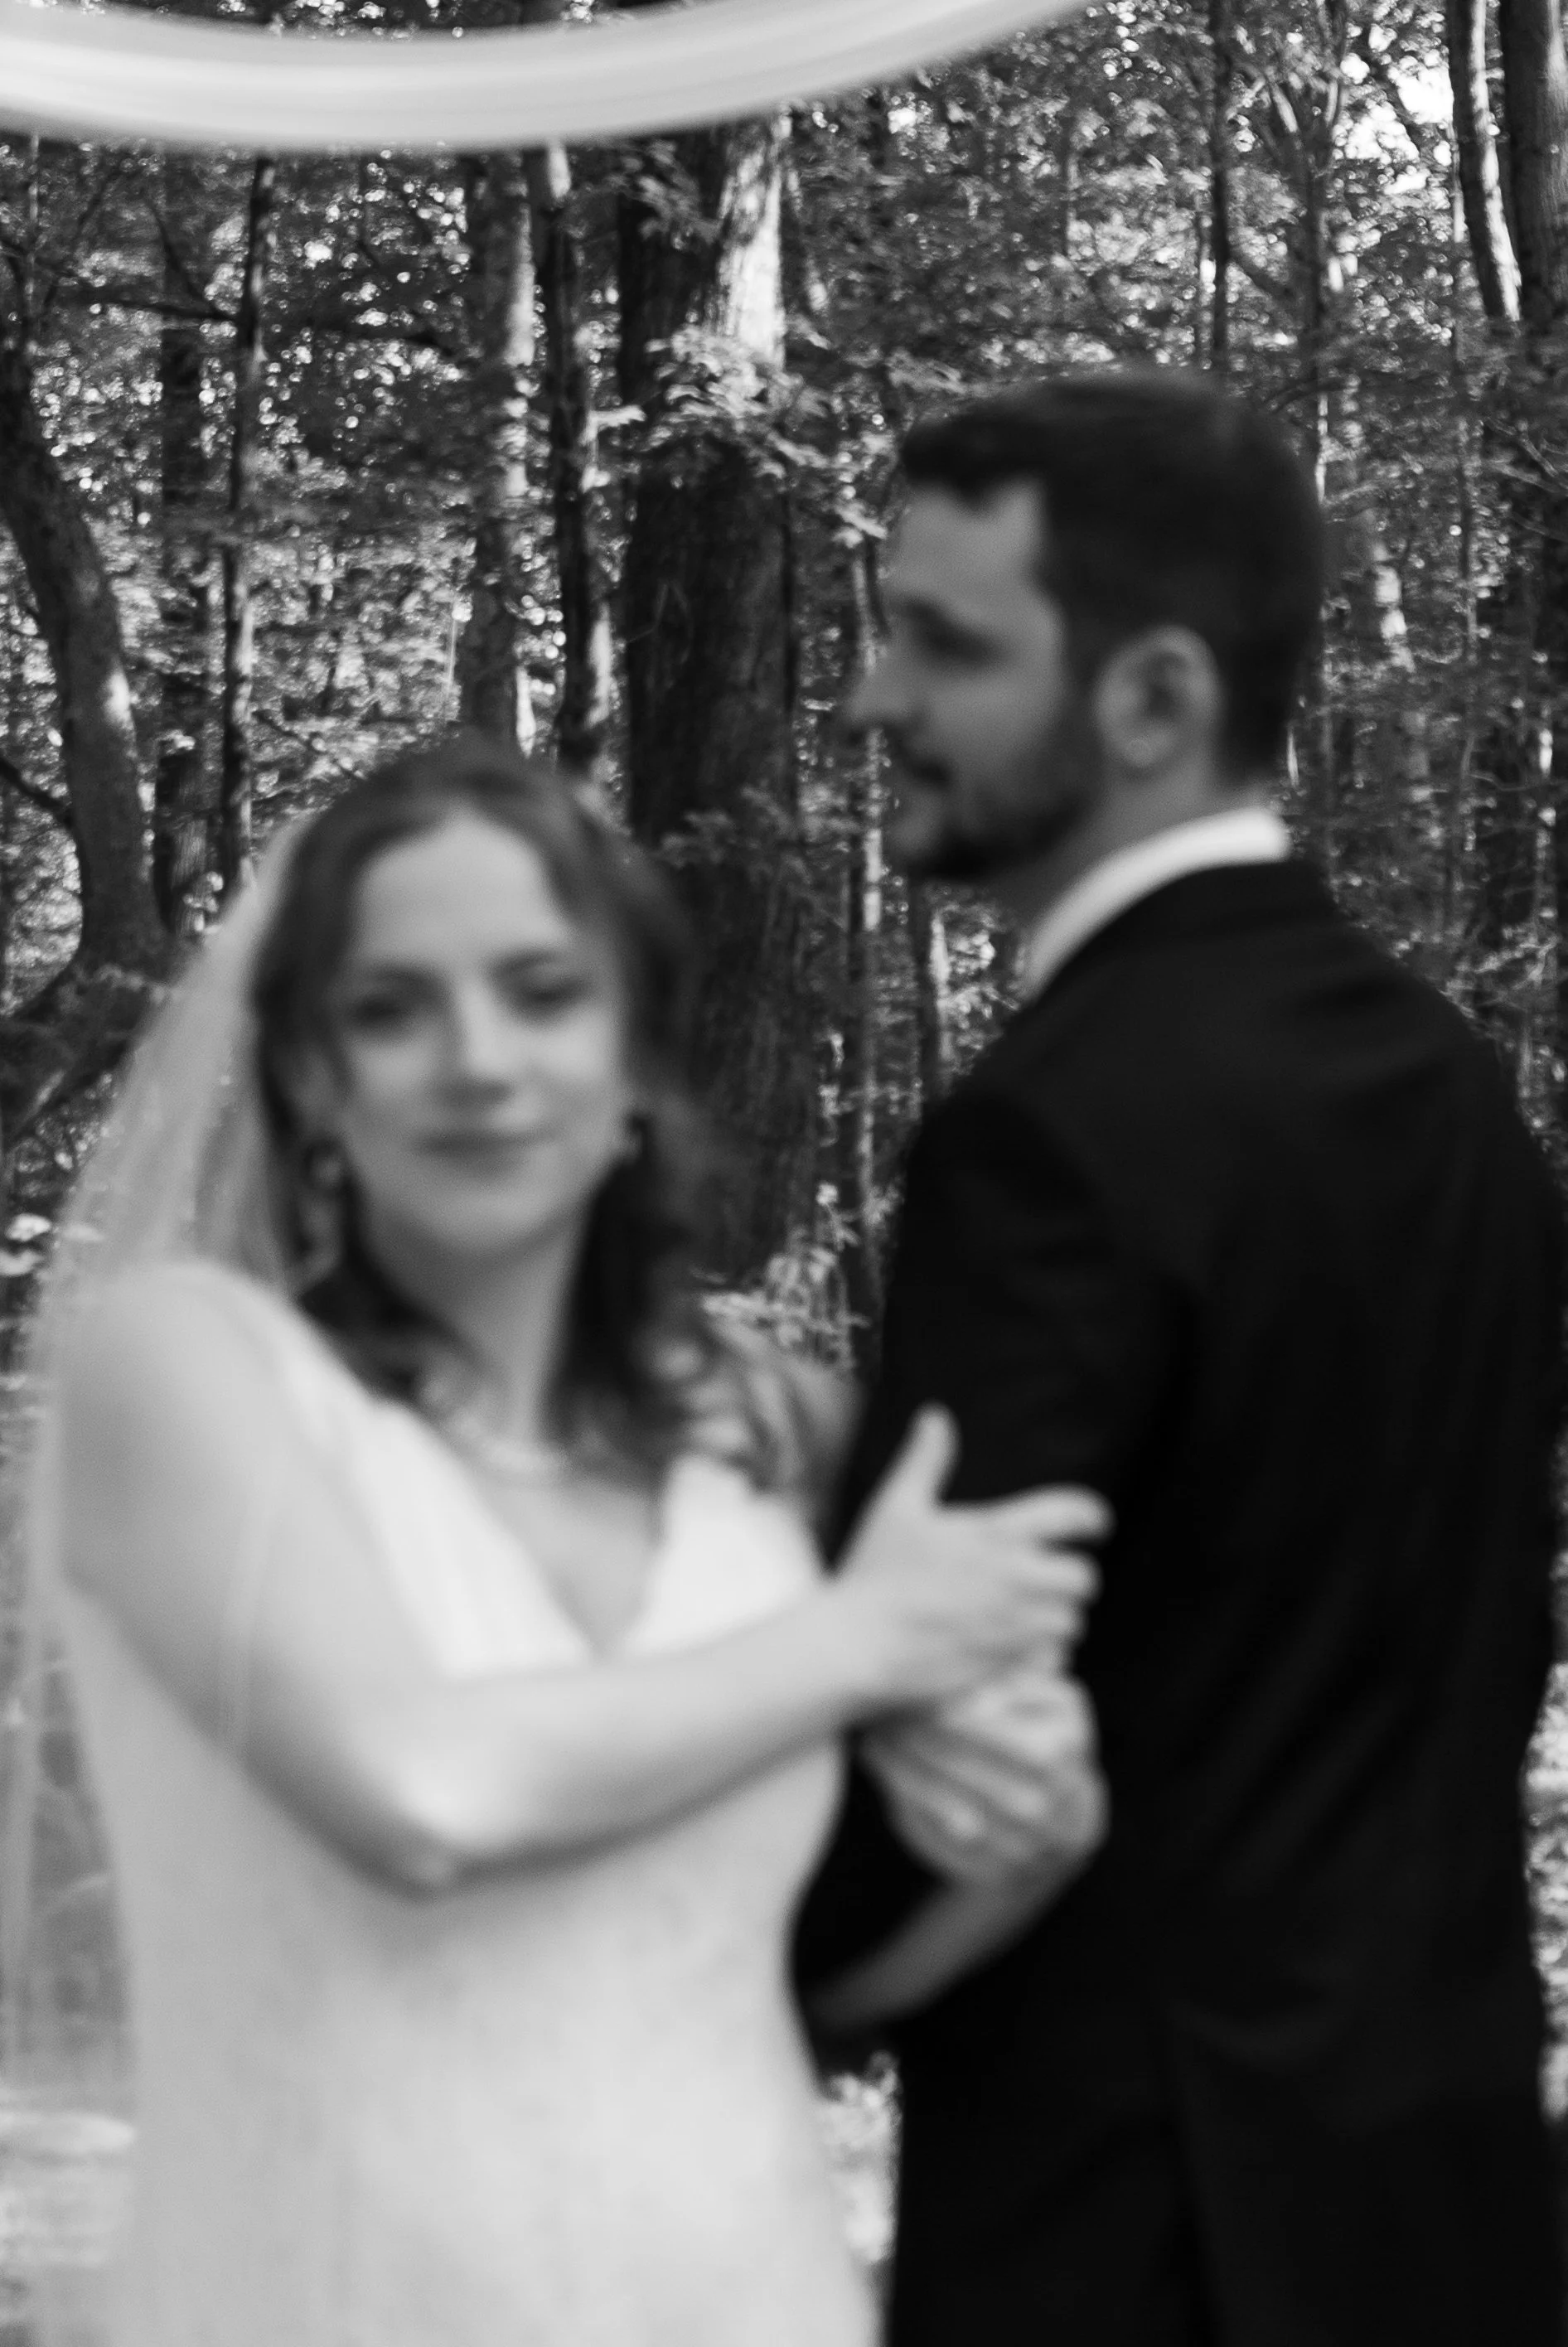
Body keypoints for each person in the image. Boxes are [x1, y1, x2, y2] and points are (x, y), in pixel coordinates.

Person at [17, 738, 1108, 2347]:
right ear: (310, 1079)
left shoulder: (768, 1446)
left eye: (541, 993)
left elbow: (778, 1980)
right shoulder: (186, 1377)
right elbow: (422, 1790)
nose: (478, 1060)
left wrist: (1028, 1840)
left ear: (634, 1057)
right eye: (392, 1010)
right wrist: (872, 1635)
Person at [794, 370, 1566, 2347]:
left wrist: (732, 1974)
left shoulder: (1050, 1132)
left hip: (1131, 2233)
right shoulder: (1455, 1099)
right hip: (1453, 2207)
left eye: (945, 644)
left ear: (1149, 699)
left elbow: (948, 1696)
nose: (875, 698)